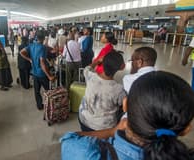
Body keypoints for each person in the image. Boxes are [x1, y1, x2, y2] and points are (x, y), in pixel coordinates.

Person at [61, 71, 194, 160]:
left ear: (126, 107)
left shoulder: (85, 153)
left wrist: (113, 131)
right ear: (186, 129)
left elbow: (69, 139)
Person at [79, 50, 126, 131]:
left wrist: (97, 61)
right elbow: (124, 106)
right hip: (103, 127)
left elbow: (87, 68)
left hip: (83, 120)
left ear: (102, 63)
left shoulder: (90, 76)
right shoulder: (118, 89)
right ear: (122, 67)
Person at [20, 30, 55, 110]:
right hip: (42, 74)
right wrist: (49, 76)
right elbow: (42, 63)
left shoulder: (31, 45)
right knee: (48, 91)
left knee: (37, 91)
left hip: (34, 73)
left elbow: (21, 52)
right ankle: (50, 105)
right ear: (43, 38)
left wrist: (30, 59)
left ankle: (39, 105)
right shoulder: (42, 48)